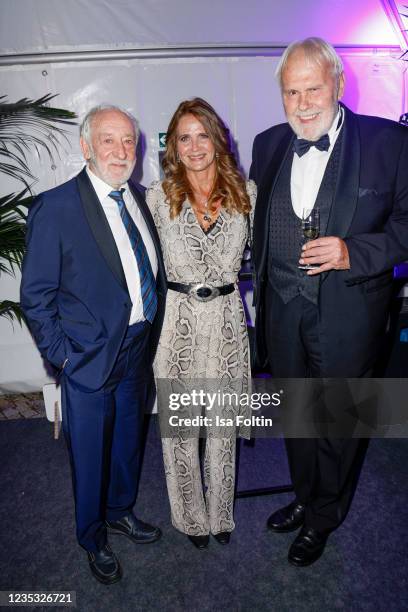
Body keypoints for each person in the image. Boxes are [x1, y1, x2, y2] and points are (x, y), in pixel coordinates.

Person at [250, 38, 408, 566]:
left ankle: (325, 516)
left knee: (338, 421)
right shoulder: (268, 143)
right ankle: (304, 495)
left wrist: (352, 251)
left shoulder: (391, 143)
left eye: (312, 88)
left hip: (349, 315)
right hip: (284, 314)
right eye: (291, 92)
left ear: (338, 83)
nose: (302, 103)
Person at [20, 104, 167, 584]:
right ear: (86, 147)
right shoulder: (55, 207)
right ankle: (92, 536)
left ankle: (120, 512)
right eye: (108, 140)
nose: (121, 151)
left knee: (127, 443)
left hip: (136, 352)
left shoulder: (142, 198)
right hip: (85, 360)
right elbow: (37, 297)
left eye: (128, 141)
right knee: (89, 454)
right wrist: (62, 355)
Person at [147, 97, 256, 549]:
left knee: (223, 426)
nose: (195, 146)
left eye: (202, 134)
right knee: (182, 430)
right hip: (178, 325)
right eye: (184, 137)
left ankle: (221, 514)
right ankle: (191, 517)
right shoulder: (157, 197)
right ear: (173, 145)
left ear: (218, 138)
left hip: (229, 323)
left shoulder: (247, 193)